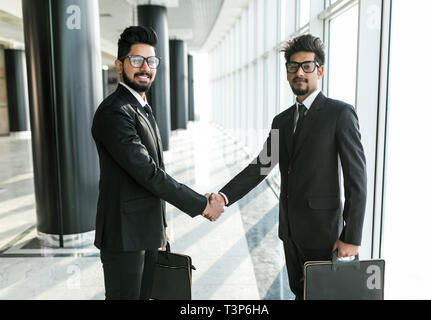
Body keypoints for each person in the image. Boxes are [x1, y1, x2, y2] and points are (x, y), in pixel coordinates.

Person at [211, 34, 367, 300]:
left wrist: (351, 236)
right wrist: (223, 197)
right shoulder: (281, 121)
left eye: (307, 66)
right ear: (286, 74)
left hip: (325, 236)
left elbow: (357, 180)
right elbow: (261, 166)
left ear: (320, 70)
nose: (299, 73)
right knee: (300, 294)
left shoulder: (339, 114)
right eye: (293, 67)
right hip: (290, 233)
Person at [91, 26, 224, 300]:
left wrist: (158, 229)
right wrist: (201, 204)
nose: (145, 68)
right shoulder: (115, 113)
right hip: (124, 236)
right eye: (136, 60)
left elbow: (152, 175)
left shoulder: (141, 107)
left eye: (151, 61)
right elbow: (149, 174)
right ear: (119, 65)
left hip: (144, 231)